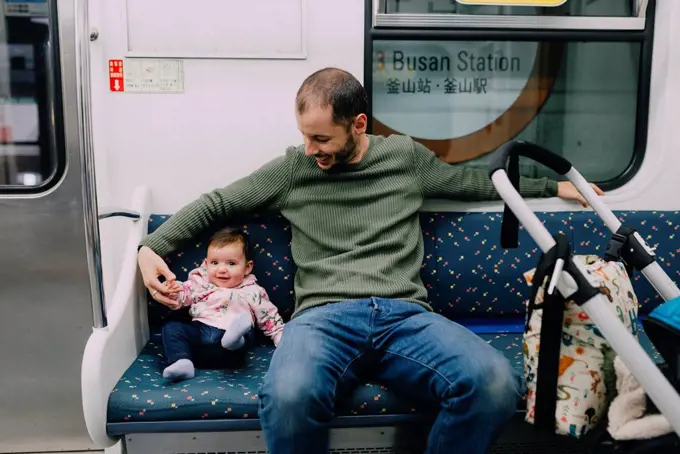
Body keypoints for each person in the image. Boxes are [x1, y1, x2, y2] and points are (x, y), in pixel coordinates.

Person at [137, 67, 604, 453]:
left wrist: (554, 188)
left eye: (321, 138)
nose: (310, 150)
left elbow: (474, 183)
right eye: (304, 136)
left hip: (404, 316)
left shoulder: (403, 158)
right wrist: (150, 247)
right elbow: (218, 203)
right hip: (323, 317)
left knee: (494, 384)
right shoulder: (294, 169)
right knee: (288, 397)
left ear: (358, 125)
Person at [159, 227, 285, 382]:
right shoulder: (200, 283)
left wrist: (283, 340)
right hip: (201, 336)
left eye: (231, 263)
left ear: (247, 268)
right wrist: (173, 291)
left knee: (244, 330)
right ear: (205, 265)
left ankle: (234, 339)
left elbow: (270, 318)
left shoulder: (253, 291)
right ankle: (182, 362)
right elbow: (182, 297)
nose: (222, 270)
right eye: (214, 263)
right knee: (172, 327)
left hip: (230, 349)